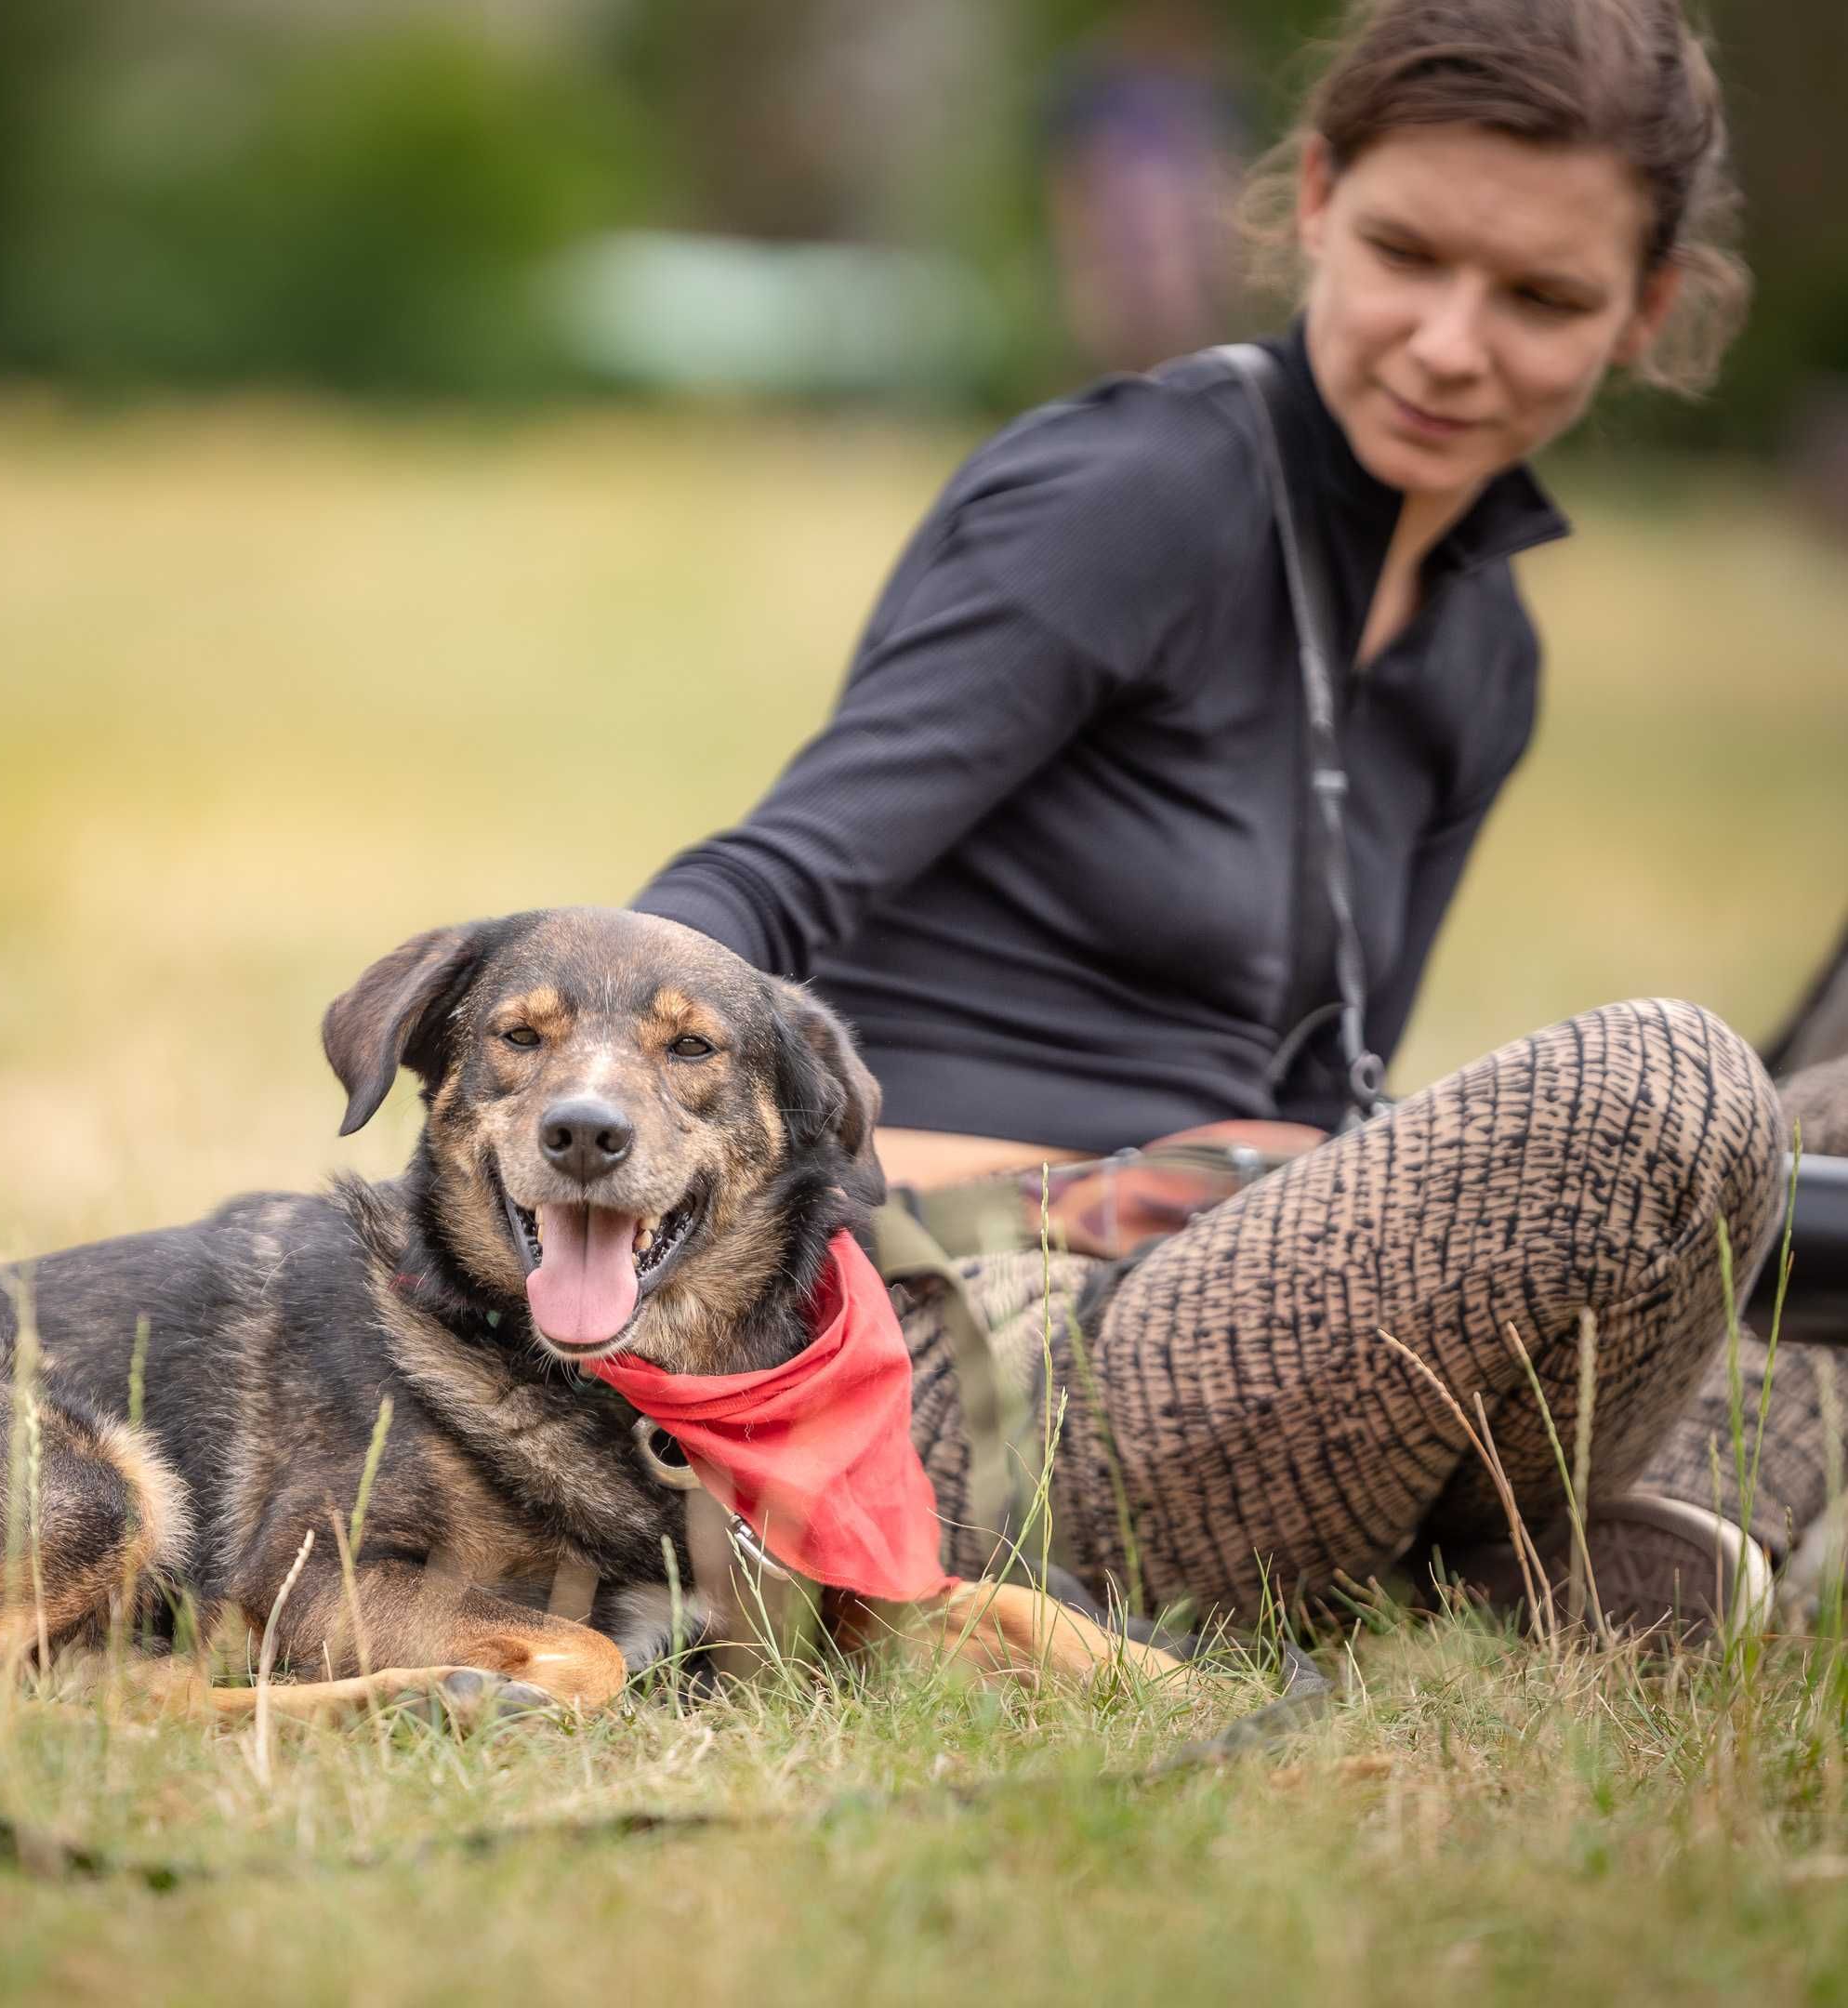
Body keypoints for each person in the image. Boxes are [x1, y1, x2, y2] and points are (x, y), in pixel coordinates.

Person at [635, 0, 1829, 1639]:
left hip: (1247, 1332)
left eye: (1541, 296)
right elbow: (736, 909)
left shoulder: (1486, 654)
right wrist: (1111, 1188)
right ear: (1319, 198)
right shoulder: (1137, 490)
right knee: (1662, 1091)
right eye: (1410, 253)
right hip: (944, 1341)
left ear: (1648, 312)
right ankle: (1594, 1559)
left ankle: (1572, 1560)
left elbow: (1317, 1104)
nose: (1452, 343)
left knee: (1817, 1115)